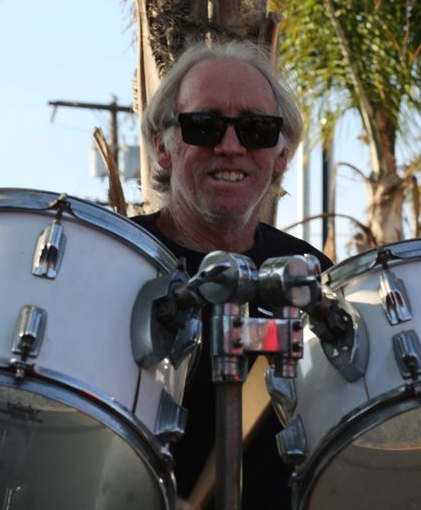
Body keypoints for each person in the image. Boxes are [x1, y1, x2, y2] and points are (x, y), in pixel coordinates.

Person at [131, 40, 333, 509]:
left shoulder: (311, 277)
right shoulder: (117, 263)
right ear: (163, 146)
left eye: (256, 129)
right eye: (204, 126)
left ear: (281, 157)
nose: (230, 146)